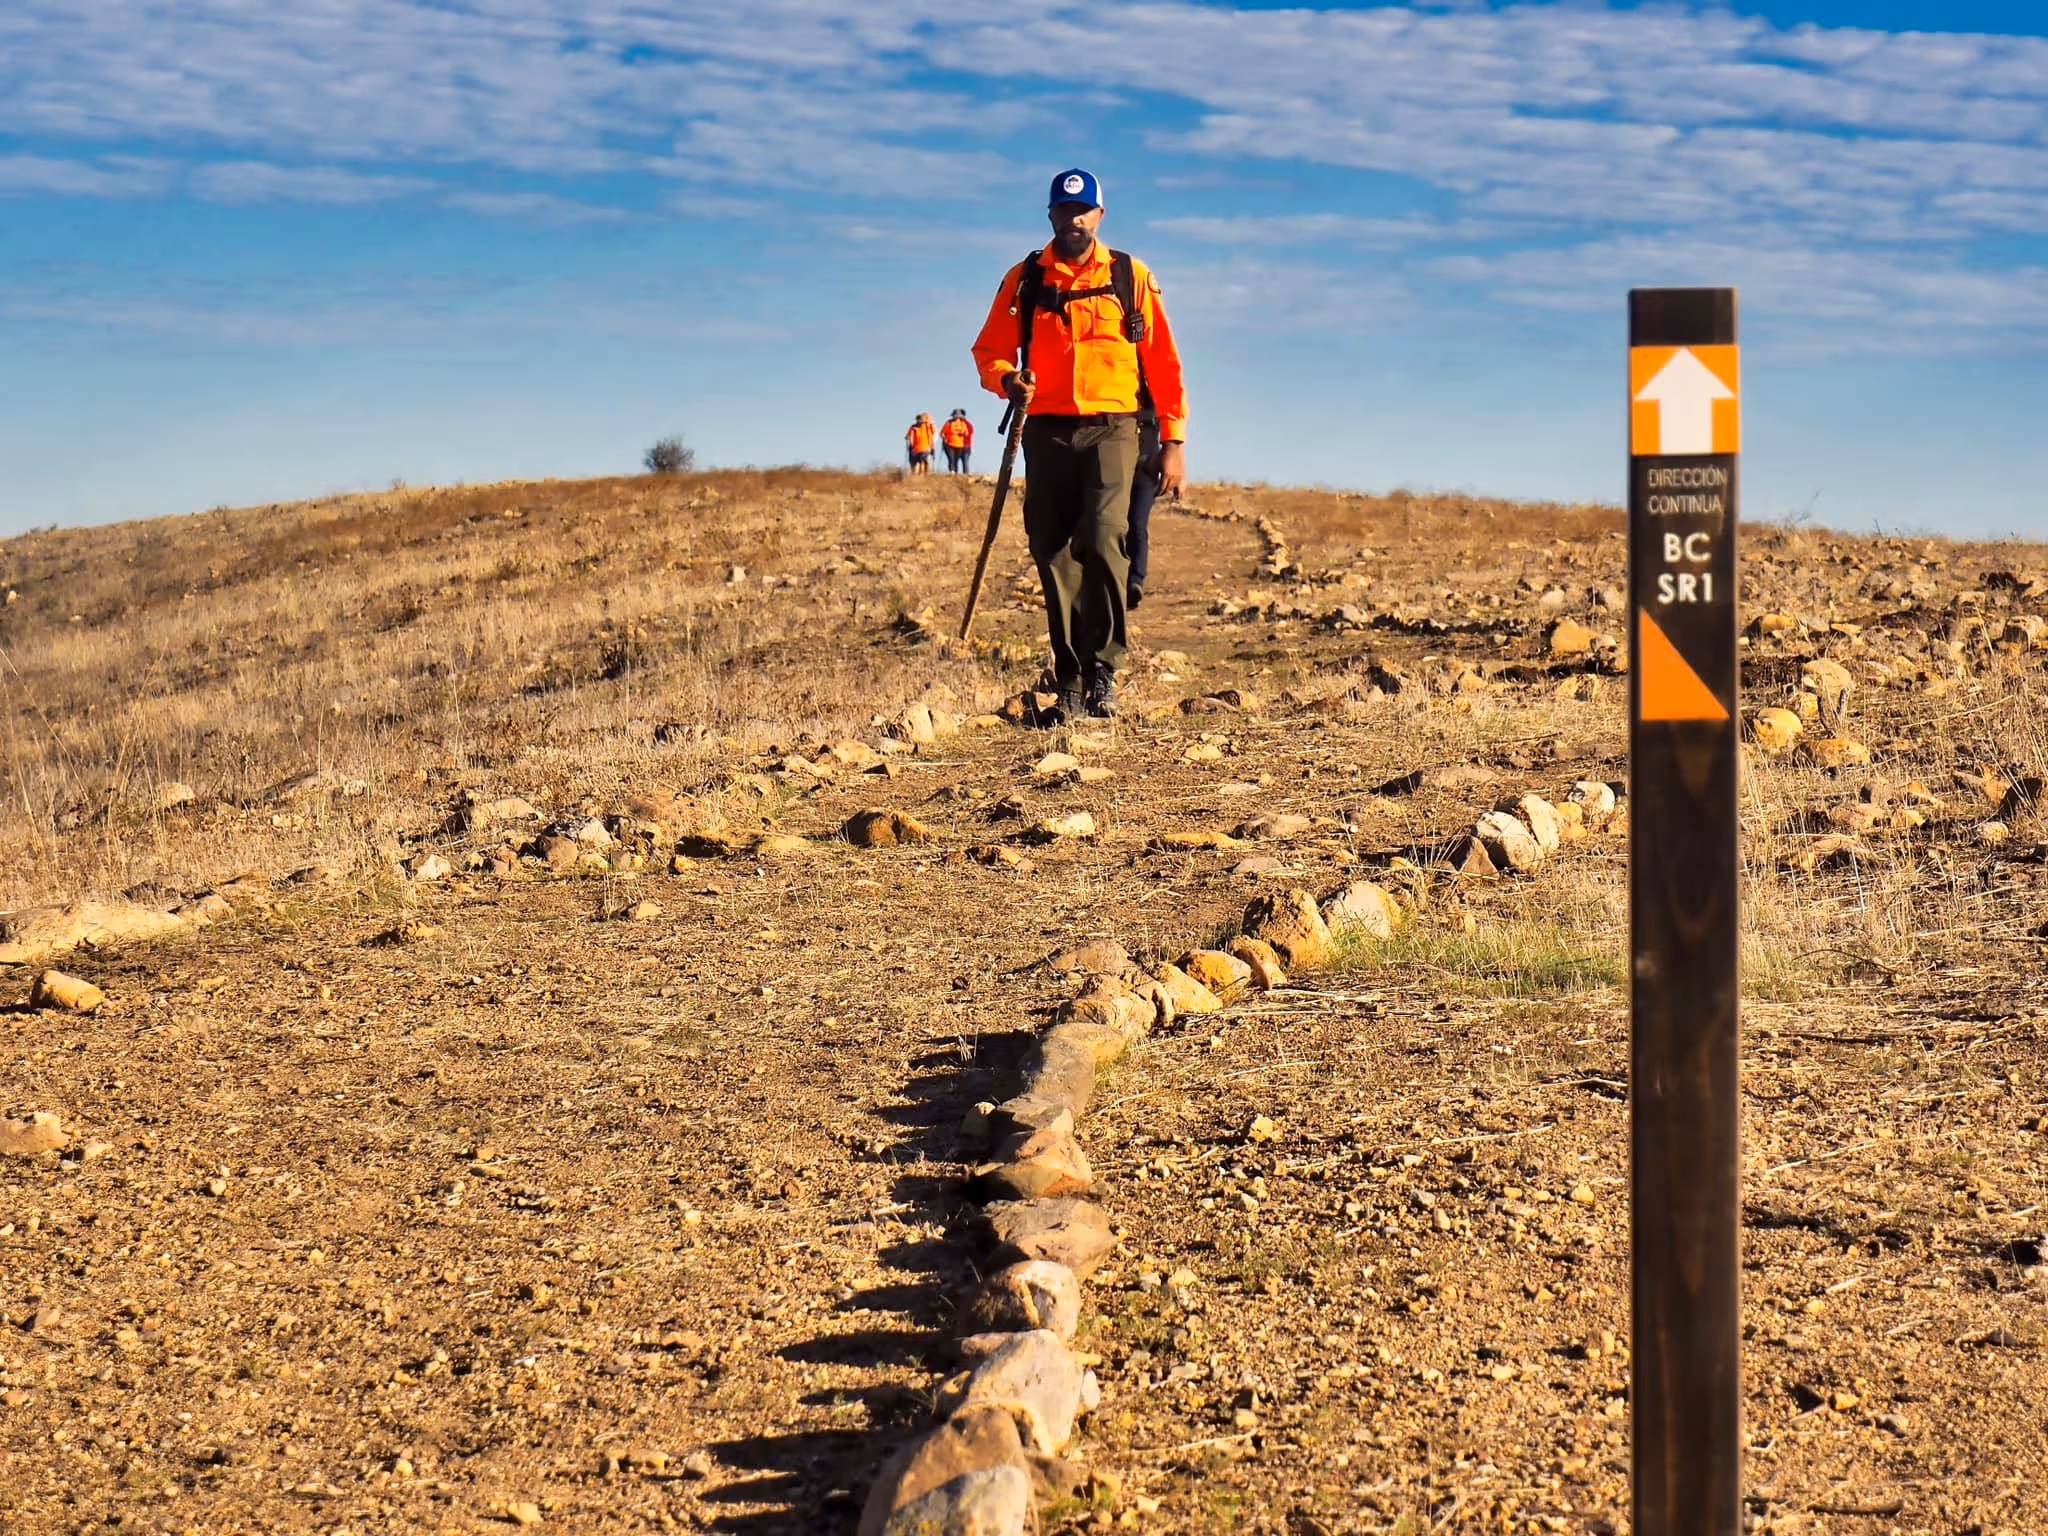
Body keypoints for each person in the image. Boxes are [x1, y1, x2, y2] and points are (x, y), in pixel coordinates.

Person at [971, 167, 1186, 722]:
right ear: (1051, 215)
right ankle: (1069, 677)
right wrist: (1005, 380)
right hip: (1044, 429)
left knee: (1104, 537)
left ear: (1099, 215)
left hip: (1114, 426)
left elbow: (1163, 362)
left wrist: (1175, 439)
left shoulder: (1129, 274)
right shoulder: (1025, 277)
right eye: (1064, 211)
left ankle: (1103, 671)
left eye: (1084, 210)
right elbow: (989, 350)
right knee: (1051, 548)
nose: (1074, 219)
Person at [941, 409, 974, 474]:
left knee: (955, 460)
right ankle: (953, 472)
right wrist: (945, 439)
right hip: (950, 445)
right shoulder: (949, 423)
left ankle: (956, 472)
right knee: (952, 459)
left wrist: (961, 434)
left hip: (960, 445)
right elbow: (942, 433)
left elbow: (967, 433)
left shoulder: (963, 423)